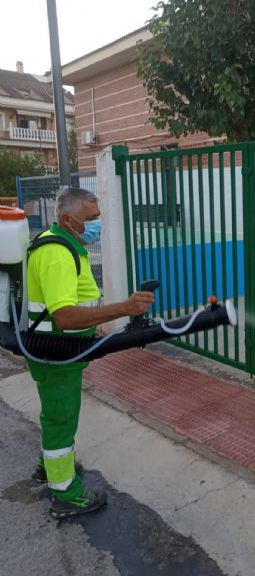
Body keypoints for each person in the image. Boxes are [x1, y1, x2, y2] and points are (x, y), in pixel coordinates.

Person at [26, 187, 154, 519]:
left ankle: (49, 466)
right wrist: (123, 308)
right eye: (91, 219)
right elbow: (64, 315)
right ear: (68, 219)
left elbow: (75, 304)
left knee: (57, 414)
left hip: (63, 348)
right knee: (60, 417)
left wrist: (93, 324)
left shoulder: (69, 244)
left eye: (98, 218)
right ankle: (65, 493)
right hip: (54, 352)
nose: (98, 225)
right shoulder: (57, 253)